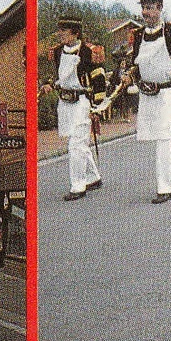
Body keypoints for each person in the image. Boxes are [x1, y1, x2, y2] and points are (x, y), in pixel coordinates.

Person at [104, 0, 171, 204]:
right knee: (159, 137)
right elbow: (137, 65)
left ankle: (164, 186)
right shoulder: (138, 35)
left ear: (160, 8)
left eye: (151, 8)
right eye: (144, 8)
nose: (146, 13)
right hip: (147, 94)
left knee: (163, 137)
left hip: (167, 93)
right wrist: (129, 77)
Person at [51, 15, 107, 201]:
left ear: (75, 33)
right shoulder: (58, 52)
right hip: (65, 103)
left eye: (63, 31)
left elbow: (99, 80)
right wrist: (48, 84)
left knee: (76, 144)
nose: (60, 34)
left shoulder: (88, 52)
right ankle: (93, 177)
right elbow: (55, 76)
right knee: (78, 142)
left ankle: (78, 186)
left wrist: (97, 107)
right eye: (60, 31)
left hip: (82, 102)